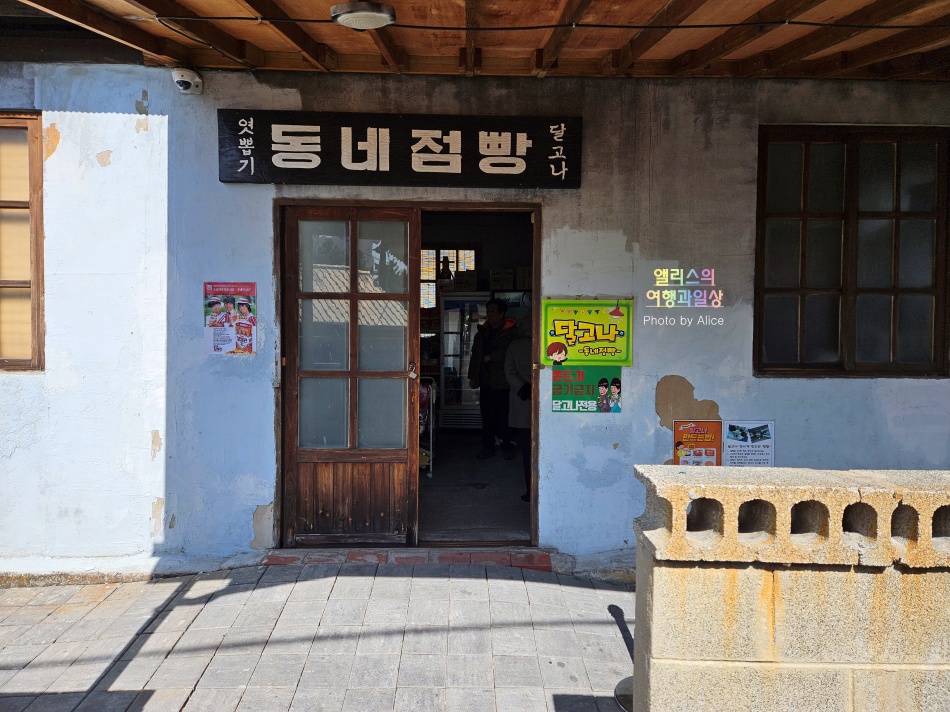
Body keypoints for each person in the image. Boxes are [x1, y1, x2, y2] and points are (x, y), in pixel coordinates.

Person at [468, 298, 518, 459]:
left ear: (501, 314)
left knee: (505, 416)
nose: (489, 314)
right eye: (488, 311)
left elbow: (511, 353)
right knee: (487, 416)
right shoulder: (482, 332)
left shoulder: (511, 332)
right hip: (486, 381)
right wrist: (472, 377)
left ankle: (506, 446)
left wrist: (492, 356)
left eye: (492, 311)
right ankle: (487, 447)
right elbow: (475, 356)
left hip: (504, 382)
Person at [505, 325, 532, 502]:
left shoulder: (514, 345)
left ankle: (530, 491)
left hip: (522, 400)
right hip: (548, 398)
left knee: (527, 450)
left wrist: (523, 388)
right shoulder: (547, 341)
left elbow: (509, 371)